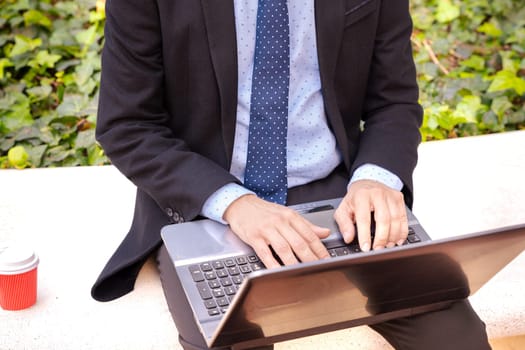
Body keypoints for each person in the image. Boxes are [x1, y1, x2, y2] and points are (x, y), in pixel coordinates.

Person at [92, 0, 491, 349]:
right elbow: (128, 126)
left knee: (456, 336)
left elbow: (395, 100)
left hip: (338, 194)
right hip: (208, 200)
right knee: (230, 339)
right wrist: (235, 204)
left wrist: (377, 178)